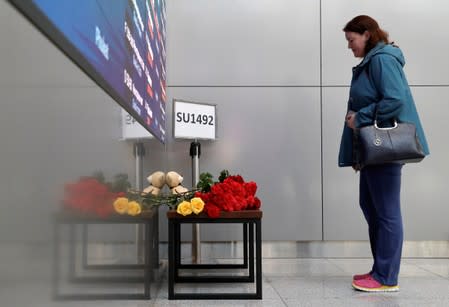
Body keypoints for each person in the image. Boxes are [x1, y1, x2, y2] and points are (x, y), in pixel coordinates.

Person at [338, 15, 430, 292]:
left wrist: (362, 117)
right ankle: (380, 268)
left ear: (367, 34)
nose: (349, 46)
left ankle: (386, 276)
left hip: (384, 149)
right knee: (371, 205)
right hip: (373, 150)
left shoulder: (381, 59)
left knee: (387, 212)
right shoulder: (373, 60)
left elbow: (395, 99)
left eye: (351, 40)